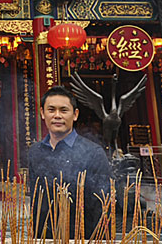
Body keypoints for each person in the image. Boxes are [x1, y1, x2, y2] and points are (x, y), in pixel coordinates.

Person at [28, 86, 112, 239]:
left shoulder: (93, 153)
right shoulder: (35, 152)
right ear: (42, 113)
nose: (57, 116)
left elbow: (103, 208)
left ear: (75, 114)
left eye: (64, 110)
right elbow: (35, 204)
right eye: (51, 110)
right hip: (44, 238)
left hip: (81, 238)